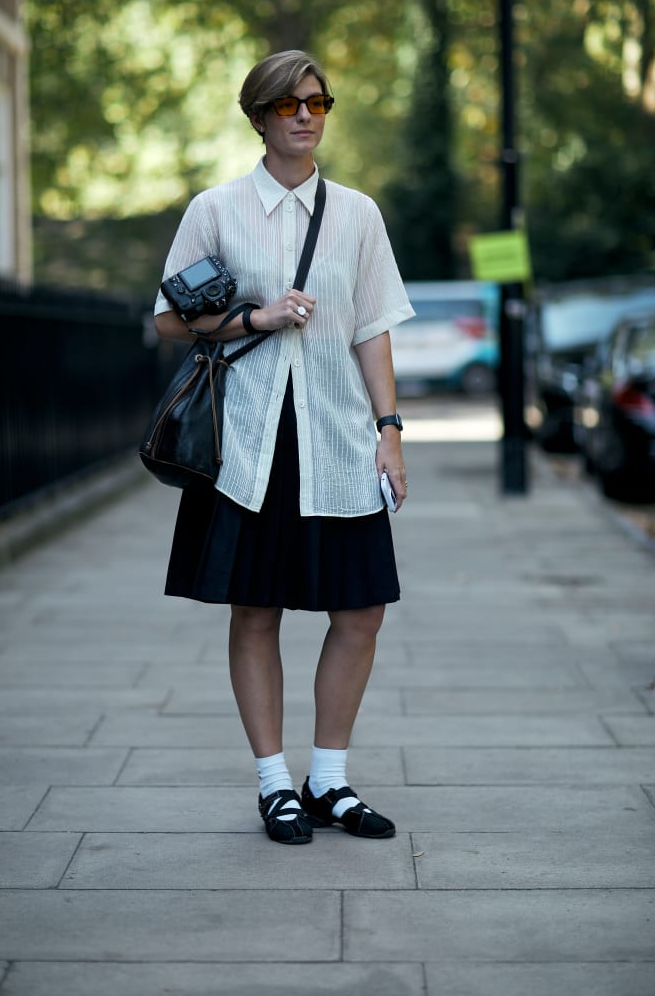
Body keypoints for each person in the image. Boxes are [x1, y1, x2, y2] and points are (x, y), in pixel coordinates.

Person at [154, 50, 414, 845]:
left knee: (361, 609)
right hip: (248, 443)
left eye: (319, 102)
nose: (306, 115)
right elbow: (169, 320)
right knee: (255, 607)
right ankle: (276, 785)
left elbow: (372, 330)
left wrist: (390, 431)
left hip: (337, 436)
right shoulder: (217, 210)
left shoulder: (358, 214)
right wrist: (256, 318)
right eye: (289, 104)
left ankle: (329, 780)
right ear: (259, 115)